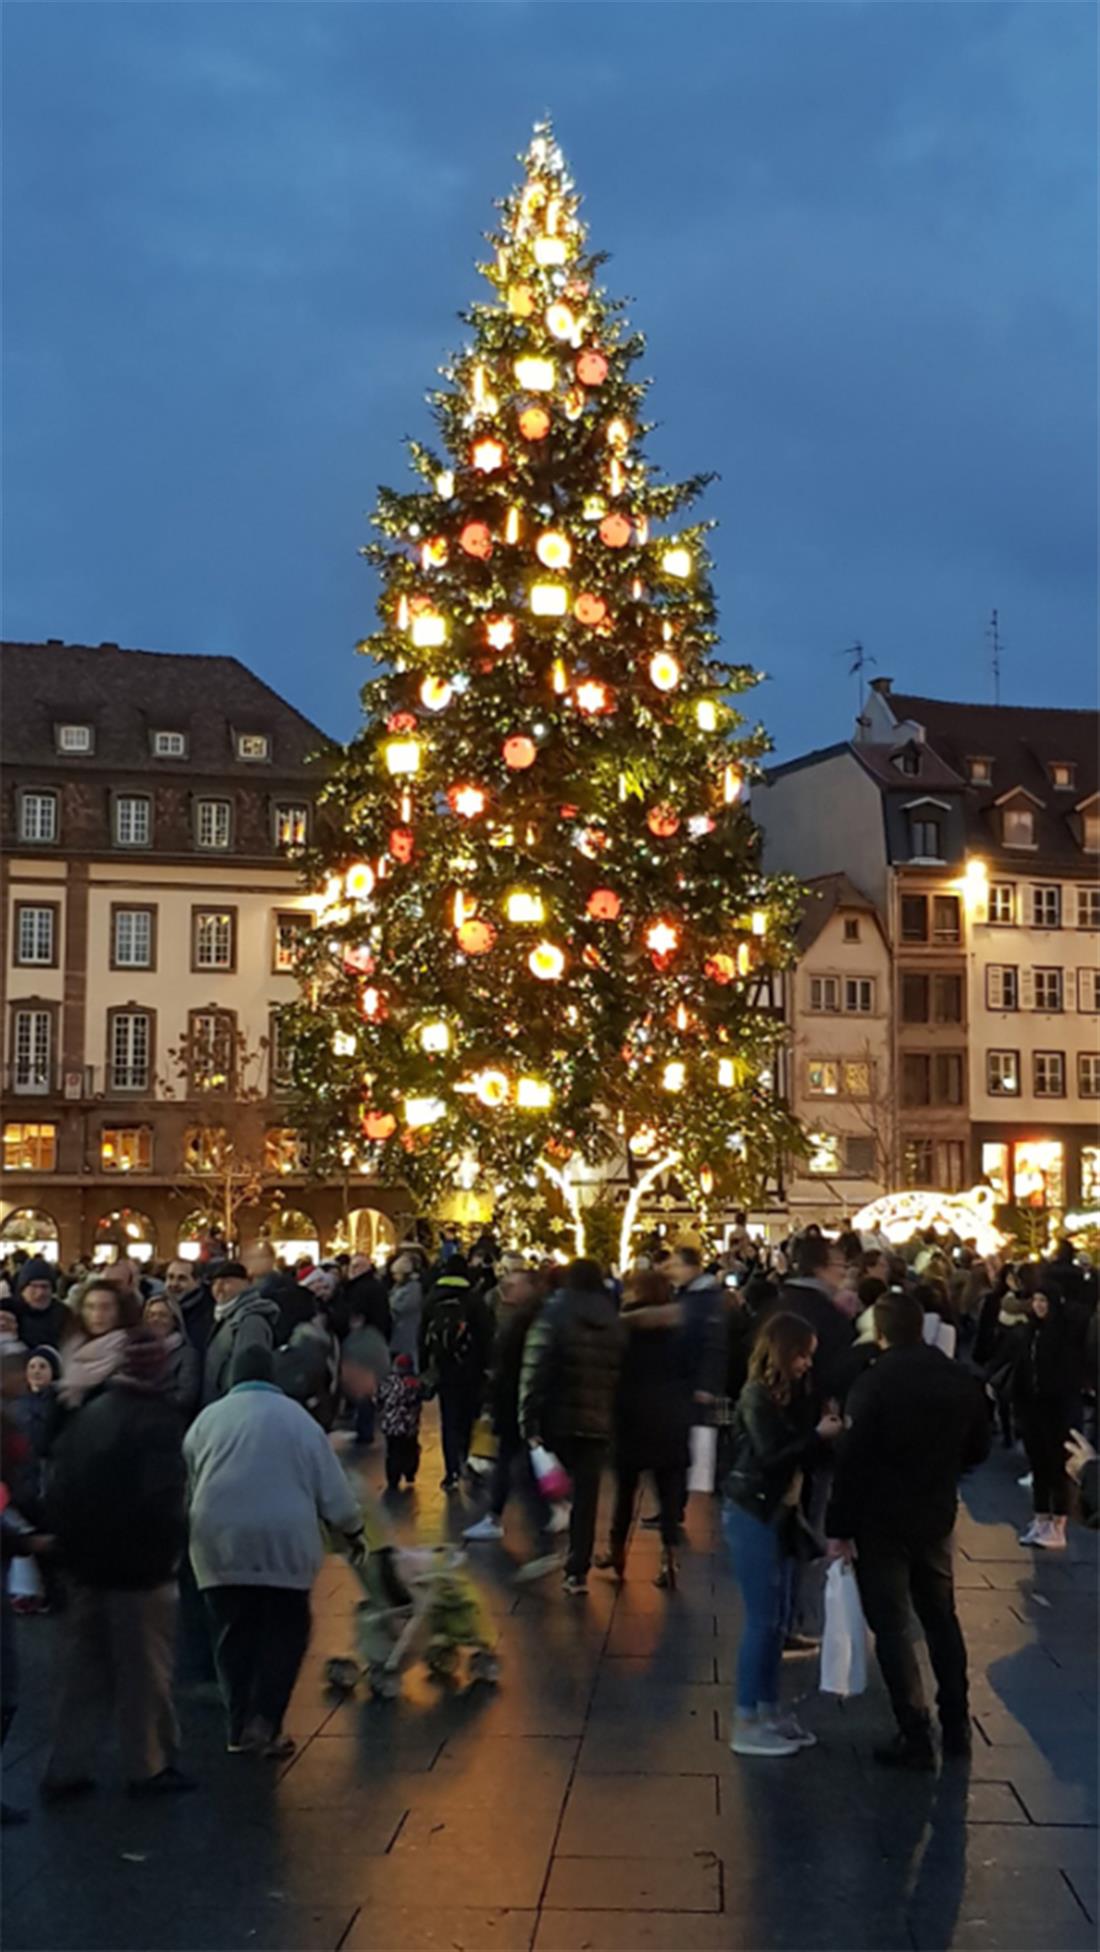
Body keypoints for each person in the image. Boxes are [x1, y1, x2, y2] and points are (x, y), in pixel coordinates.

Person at [826, 1290, 991, 1771]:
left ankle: (914, 1729)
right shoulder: (957, 1378)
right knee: (941, 1617)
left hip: (882, 1518)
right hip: (935, 1510)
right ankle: (957, 1723)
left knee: (893, 1625)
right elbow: (978, 1448)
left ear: (880, 1332)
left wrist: (839, 1527)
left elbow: (852, 1463)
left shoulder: (874, 1384)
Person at [184, 1345, 364, 1758]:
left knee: (232, 1635)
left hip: (218, 1542)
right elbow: (333, 1491)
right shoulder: (297, 1420)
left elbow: (190, 1476)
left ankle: (236, 1726)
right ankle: (266, 1719)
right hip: (284, 1541)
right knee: (286, 1630)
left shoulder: (208, 1419)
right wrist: (352, 1529)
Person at [41, 1330, 193, 1799]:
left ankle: (66, 1766)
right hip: (138, 1569)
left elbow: (59, 1486)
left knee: (86, 1671)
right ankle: (148, 1765)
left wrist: (69, 1551)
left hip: (86, 1565)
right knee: (145, 1672)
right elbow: (162, 1500)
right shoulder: (158, 1421)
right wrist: (169, 1551)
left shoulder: (90, 1415)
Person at [722, 1314, 843, 1757]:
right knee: (762, 1619)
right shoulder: (756, 1397)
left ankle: (767, 1708)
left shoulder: (785, 1396)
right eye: (802, 1354)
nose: (808, 1363)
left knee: (777, 1618)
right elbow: (772, 1456)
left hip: (778, 1513)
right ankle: (747, 1716)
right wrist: (816, 1435)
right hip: (755, 1512)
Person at [520, 1258, 626, 1596]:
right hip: (597, 1420)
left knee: (543, 1480)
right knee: (588, 1494)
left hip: (557, 1416)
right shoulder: (613, 1319)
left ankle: (544, 1539)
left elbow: (535, 1365)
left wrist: (528, 1416)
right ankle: (577, 1568)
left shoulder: (554, 1313)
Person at [597, 1270, 693, 1589]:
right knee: (667, 1496)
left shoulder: (623, 1328)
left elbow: (611, 1370)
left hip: (631, 1416)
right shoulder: (681, 1329)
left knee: (624, 1490)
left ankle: (616, 1551)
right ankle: (669, 1561)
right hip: (671, 1417)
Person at [464, 1267, 554, 1568]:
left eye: (513, 1285)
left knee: (516, 1462)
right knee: (517, 1460)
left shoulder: (527, 1319)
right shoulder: (523, 1315)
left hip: (518, 1401)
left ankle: (516, 1517)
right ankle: (545, 1513)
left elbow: (521, 1364)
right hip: (516, 1400)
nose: (506, 1289)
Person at [1015, 1288, 1080, 1550]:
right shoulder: (1031, 1331)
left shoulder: (1061, 1334)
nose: (1039, 1305)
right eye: (1037, 1300)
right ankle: (1041, 1518)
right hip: (1033, 1406)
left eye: (1044, 1300)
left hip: (1055, 1407)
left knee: (1056, 1466)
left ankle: (1058, 1523)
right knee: (1038, 1464)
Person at [421, 1255, 493, 1490]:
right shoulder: (474, 1300)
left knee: (448, 1420)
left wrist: (424, 1368)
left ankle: (450, 1471)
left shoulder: (433, 1298)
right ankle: (467, 1460)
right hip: (471, 1369)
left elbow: (422, 1335)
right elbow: (486, 1335)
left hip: (444, 1368)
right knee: (469, 1417)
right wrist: (487, 1366)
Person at [200, 1262, 279, 1407]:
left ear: (246, 1283)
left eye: (226, 1282)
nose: (219, 1288)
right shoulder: (227, 1317)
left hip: (233, 1406)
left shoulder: (250, 1321)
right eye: (215, 1283)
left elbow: (249, 1373)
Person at [58, 1280, 139, 1411]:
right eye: (90, 1307)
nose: (97, 1315)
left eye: (106, 1307)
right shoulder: (71, 1345)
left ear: (120, 1310)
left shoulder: (134, 1352)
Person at [143, 1294, 201, 1422]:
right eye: (151, 1315)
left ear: (174, 1320)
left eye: (162, 1315)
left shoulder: (187, 1355)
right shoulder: (138, 1350)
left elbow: (186, 1398)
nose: (155, 1319)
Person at [377, 1354, 426, 1490]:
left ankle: (393, 1477)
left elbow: (379, 1398)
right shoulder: (414, 1383)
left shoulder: (388, 1382)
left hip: (391, 1425)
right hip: (409, 1426)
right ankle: (409, 1472)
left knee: (392, 1452)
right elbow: (423, 1395)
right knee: (409, 1450)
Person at [12, 1264, 69, 1354]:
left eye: (45, 1287)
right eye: (34, 1287)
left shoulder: (64, 1315)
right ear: (23, 1290)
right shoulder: (9, 1313)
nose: (40, 1293)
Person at [387, 1254, 424, 1365]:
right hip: (397, 1331)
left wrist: (391, 1304)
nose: (394, 1277)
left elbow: (405, 1306)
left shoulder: (414, 1288)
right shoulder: (397, 1287)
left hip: (408, 1331)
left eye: (396, 1274)